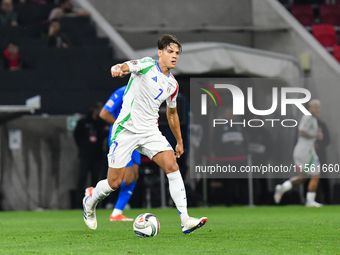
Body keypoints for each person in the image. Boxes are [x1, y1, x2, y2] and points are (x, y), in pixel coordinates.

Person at [82, 34, 207, 234]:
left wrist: (180, 141)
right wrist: (118, 68)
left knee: (172, 166)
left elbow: (172, 114)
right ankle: (90, 201)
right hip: (126, 130)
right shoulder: (147, 65)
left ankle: (185, 219)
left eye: (176, 53)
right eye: (170, 51)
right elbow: (127, 65)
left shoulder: (173, 85)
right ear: (160, 53)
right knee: (114, 182)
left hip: (150, 132)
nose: (174, 56)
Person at [86, 85, 141, 221]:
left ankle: (117, 213)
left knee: (134, 176)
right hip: (121, 138)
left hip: (136, 137)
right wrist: (123, 126)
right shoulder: (122, 92)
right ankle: (94, 191)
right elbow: (104, 113)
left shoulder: (144, 91)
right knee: (126, 178)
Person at [274, 99, 323, 207]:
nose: (317, 109)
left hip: (302, 151)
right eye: (315, 107)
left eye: (318, 107)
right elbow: (301, 131)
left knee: (303, 177)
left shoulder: (313, 119)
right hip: (305, 152)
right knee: (316, 174)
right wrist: (315, 136)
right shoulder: (308, 117)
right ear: (310, 108)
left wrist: (315, 138)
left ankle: (282, 187)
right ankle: (310, 201)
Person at [74, 102, 106, 209]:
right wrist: (82, 147)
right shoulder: (83, 122)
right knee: (82, 179)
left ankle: (95, 204)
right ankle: (78, 204)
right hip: (85, 155)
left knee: (96, 181)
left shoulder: (101, 123)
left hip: (97, 156)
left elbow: (103, 136)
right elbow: (77, 135)